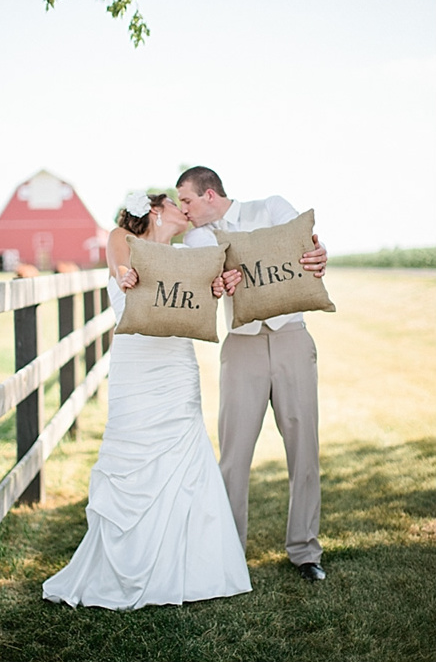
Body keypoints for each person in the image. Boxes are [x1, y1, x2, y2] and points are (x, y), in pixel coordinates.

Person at [42, 191, 252, 609]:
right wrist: (125, 275)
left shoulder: (189, 252)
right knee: (131, 456)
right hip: (136, 366)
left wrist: (213, 285)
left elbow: (204, 294)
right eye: (177, 203)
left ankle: (194, 570)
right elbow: (120, 263)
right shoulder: (122, 237)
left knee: (186, 457)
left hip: (176, 364)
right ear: (156, 210)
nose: (184, 209)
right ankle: (128, 565)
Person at [176, 166, 328, 582]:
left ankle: (305, 550)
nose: (183, 210)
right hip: (241, 346)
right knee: (234, 453)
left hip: (291, 337)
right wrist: (218, 279)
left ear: (209, 194)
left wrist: (319, 252)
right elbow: (202, 274)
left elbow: (305, 247)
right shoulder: (197, 237)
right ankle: (229, 550)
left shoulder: (273, 207)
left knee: (303, 447)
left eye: (186, 201)